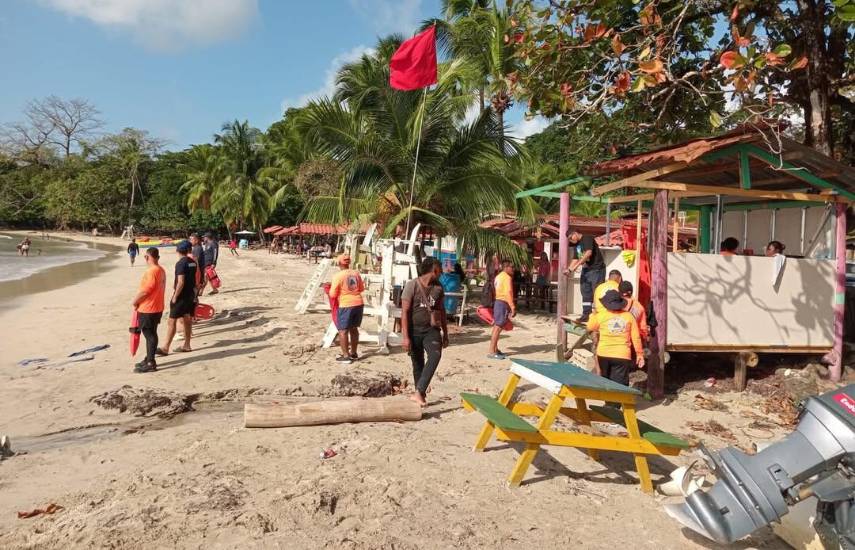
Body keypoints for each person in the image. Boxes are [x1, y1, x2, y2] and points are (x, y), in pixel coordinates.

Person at [401, 257, 449, 406]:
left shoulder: (439, 287)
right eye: (440, 269)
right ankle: (419, 396)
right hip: (413, 330)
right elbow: (404, 312)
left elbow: (442, 311)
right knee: (418, 364)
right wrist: (405, 337)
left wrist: (446, 334)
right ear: (434, 270)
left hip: (432, 330)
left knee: (435, 355)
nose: (441, 272)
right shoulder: (412, 285)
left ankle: (418, 391)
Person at [586, 289, 644, 400]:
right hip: (622, 355)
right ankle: (615, 405)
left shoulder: (601, 316)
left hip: (603, 353)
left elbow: (589, 327)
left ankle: (608, 403)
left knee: (606, 380)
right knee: (620, 383)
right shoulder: (629, 316)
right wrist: (640, 354)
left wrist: (592, 315)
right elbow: (636, 338)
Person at [157, 241, 198, 356]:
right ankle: (187, 345)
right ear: (189, 250)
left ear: (178, 250)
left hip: (182, 296)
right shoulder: (193, 262)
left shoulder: (181, 263)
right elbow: (195, 280)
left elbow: (181, 281)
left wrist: (175, 296)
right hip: (190, 294)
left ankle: (165, 348)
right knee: (187, 319)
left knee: (172, 321)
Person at [131, 247, 166, 373]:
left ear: (147, 257)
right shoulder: (161, 270)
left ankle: (151, 362)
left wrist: (135, 301)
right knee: (152, 333)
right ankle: (149, 358)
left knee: (149, 334)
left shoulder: (152, 271)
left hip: (149, 308)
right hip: (157, 307)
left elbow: (146, 290)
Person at [329, 255, 364, 364]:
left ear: (339, 263)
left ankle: (345, 356)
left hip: (346, 304)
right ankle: (353, 353)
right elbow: (361, 288)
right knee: (354, 329)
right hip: (359, 303)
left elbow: (333, 294)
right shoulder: (356, 273)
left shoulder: (338, 276)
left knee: (343, 330)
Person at [565, 230, 606, 322]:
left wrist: (576, 266)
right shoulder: (577, 246)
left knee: (597, 292)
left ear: (575, 233)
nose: (571, 241)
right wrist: (569, 269)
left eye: (571, 238)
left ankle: (599, 315)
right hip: (586, 270)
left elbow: (588, 253)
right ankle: (586, 314)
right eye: (569, 240)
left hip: (597, 269)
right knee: (585, 292)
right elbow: (575, 258)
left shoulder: (587, 238)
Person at [488, 260, 516, 360]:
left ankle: (495, 349)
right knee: (498, 327)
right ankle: (492, 351)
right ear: (506, 267)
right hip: (502, 302)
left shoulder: (499, 276)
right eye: (512, 267)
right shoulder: (507, 278)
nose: (513, 269)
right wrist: (512, 307)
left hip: (498, 302)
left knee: (497, 327)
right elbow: (508, 292)